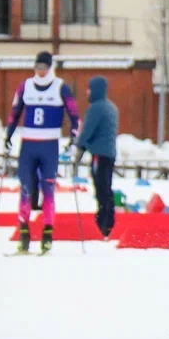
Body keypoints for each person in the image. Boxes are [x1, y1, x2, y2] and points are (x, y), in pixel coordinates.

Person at [4, 52, 80, 254]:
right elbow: (15, 113)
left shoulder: (61, 87)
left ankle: (47, 234)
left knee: (48, 190)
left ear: (50, 67)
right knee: (26, 189)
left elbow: (75, 115)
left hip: (49, 145)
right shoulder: (25, 86)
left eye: (45, 67)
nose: (41, 71)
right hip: (28, 144)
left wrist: (74, 139)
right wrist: (8, 136)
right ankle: (24, 235)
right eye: (38, 67)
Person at [72, 76, 119, 238]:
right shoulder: (111, 107)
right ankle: (109, 220)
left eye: (89, 88)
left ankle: (104, 222)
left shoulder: (96, 108)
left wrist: (79, 149)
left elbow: (87, 131)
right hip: (110, 153)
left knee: (101, 188)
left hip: (99, 153)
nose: (87, 92)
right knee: (107, 186)